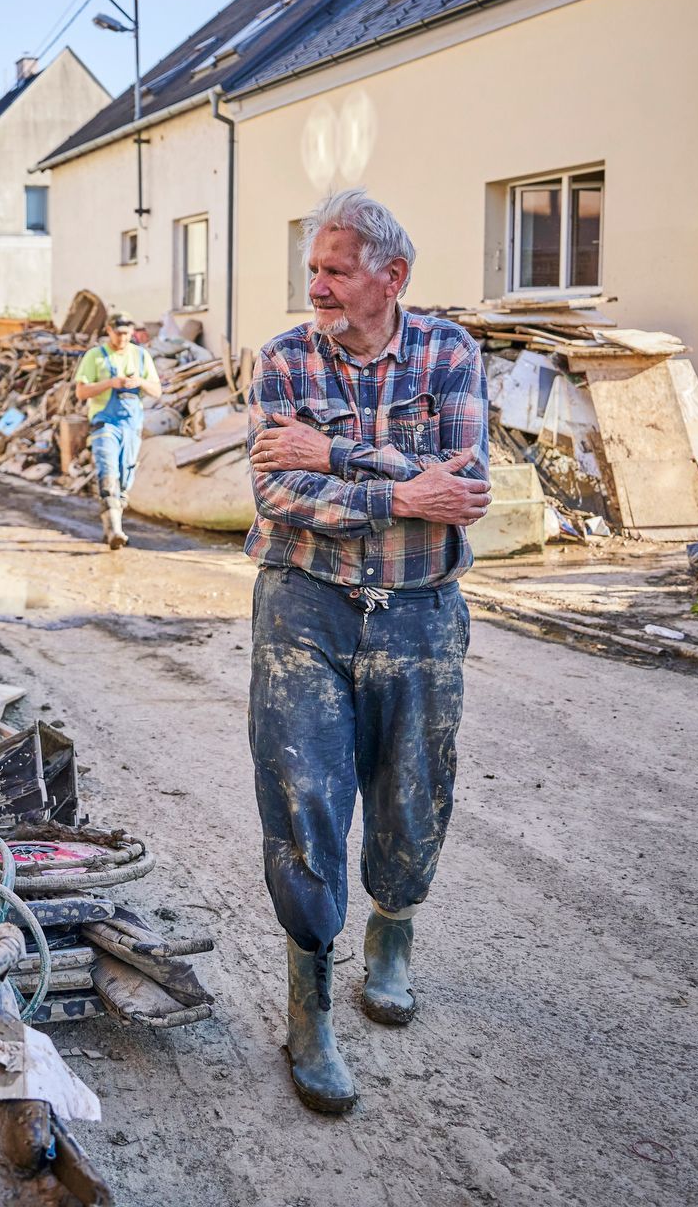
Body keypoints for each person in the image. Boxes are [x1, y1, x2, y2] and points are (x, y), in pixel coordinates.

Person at [244, 188, 491, 1114]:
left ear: (391, 277)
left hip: (422, 607)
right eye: (313, 268)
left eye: (335, 269)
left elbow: (464, 491)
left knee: (413, 786)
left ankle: (391, 933)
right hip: (304, 605)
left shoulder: (449, 353)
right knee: (303, 795)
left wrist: (338, 453)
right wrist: (394, 485)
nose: (317, 284)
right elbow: (280, 496)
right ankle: (309, 1004)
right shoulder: (281, 358)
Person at [73, 312, 161, 549]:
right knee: (107, 469)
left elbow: (157, 391)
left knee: (125, 475)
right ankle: (115, 530)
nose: (122, 338)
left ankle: (113, 523)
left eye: (126, 334)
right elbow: (81, 392)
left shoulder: (141, 356)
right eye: (118, 333)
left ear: (132, 333)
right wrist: (110, 383)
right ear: (108, 331)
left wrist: (139, 383)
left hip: (131, 424)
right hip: (105, 422)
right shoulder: (95, 356)